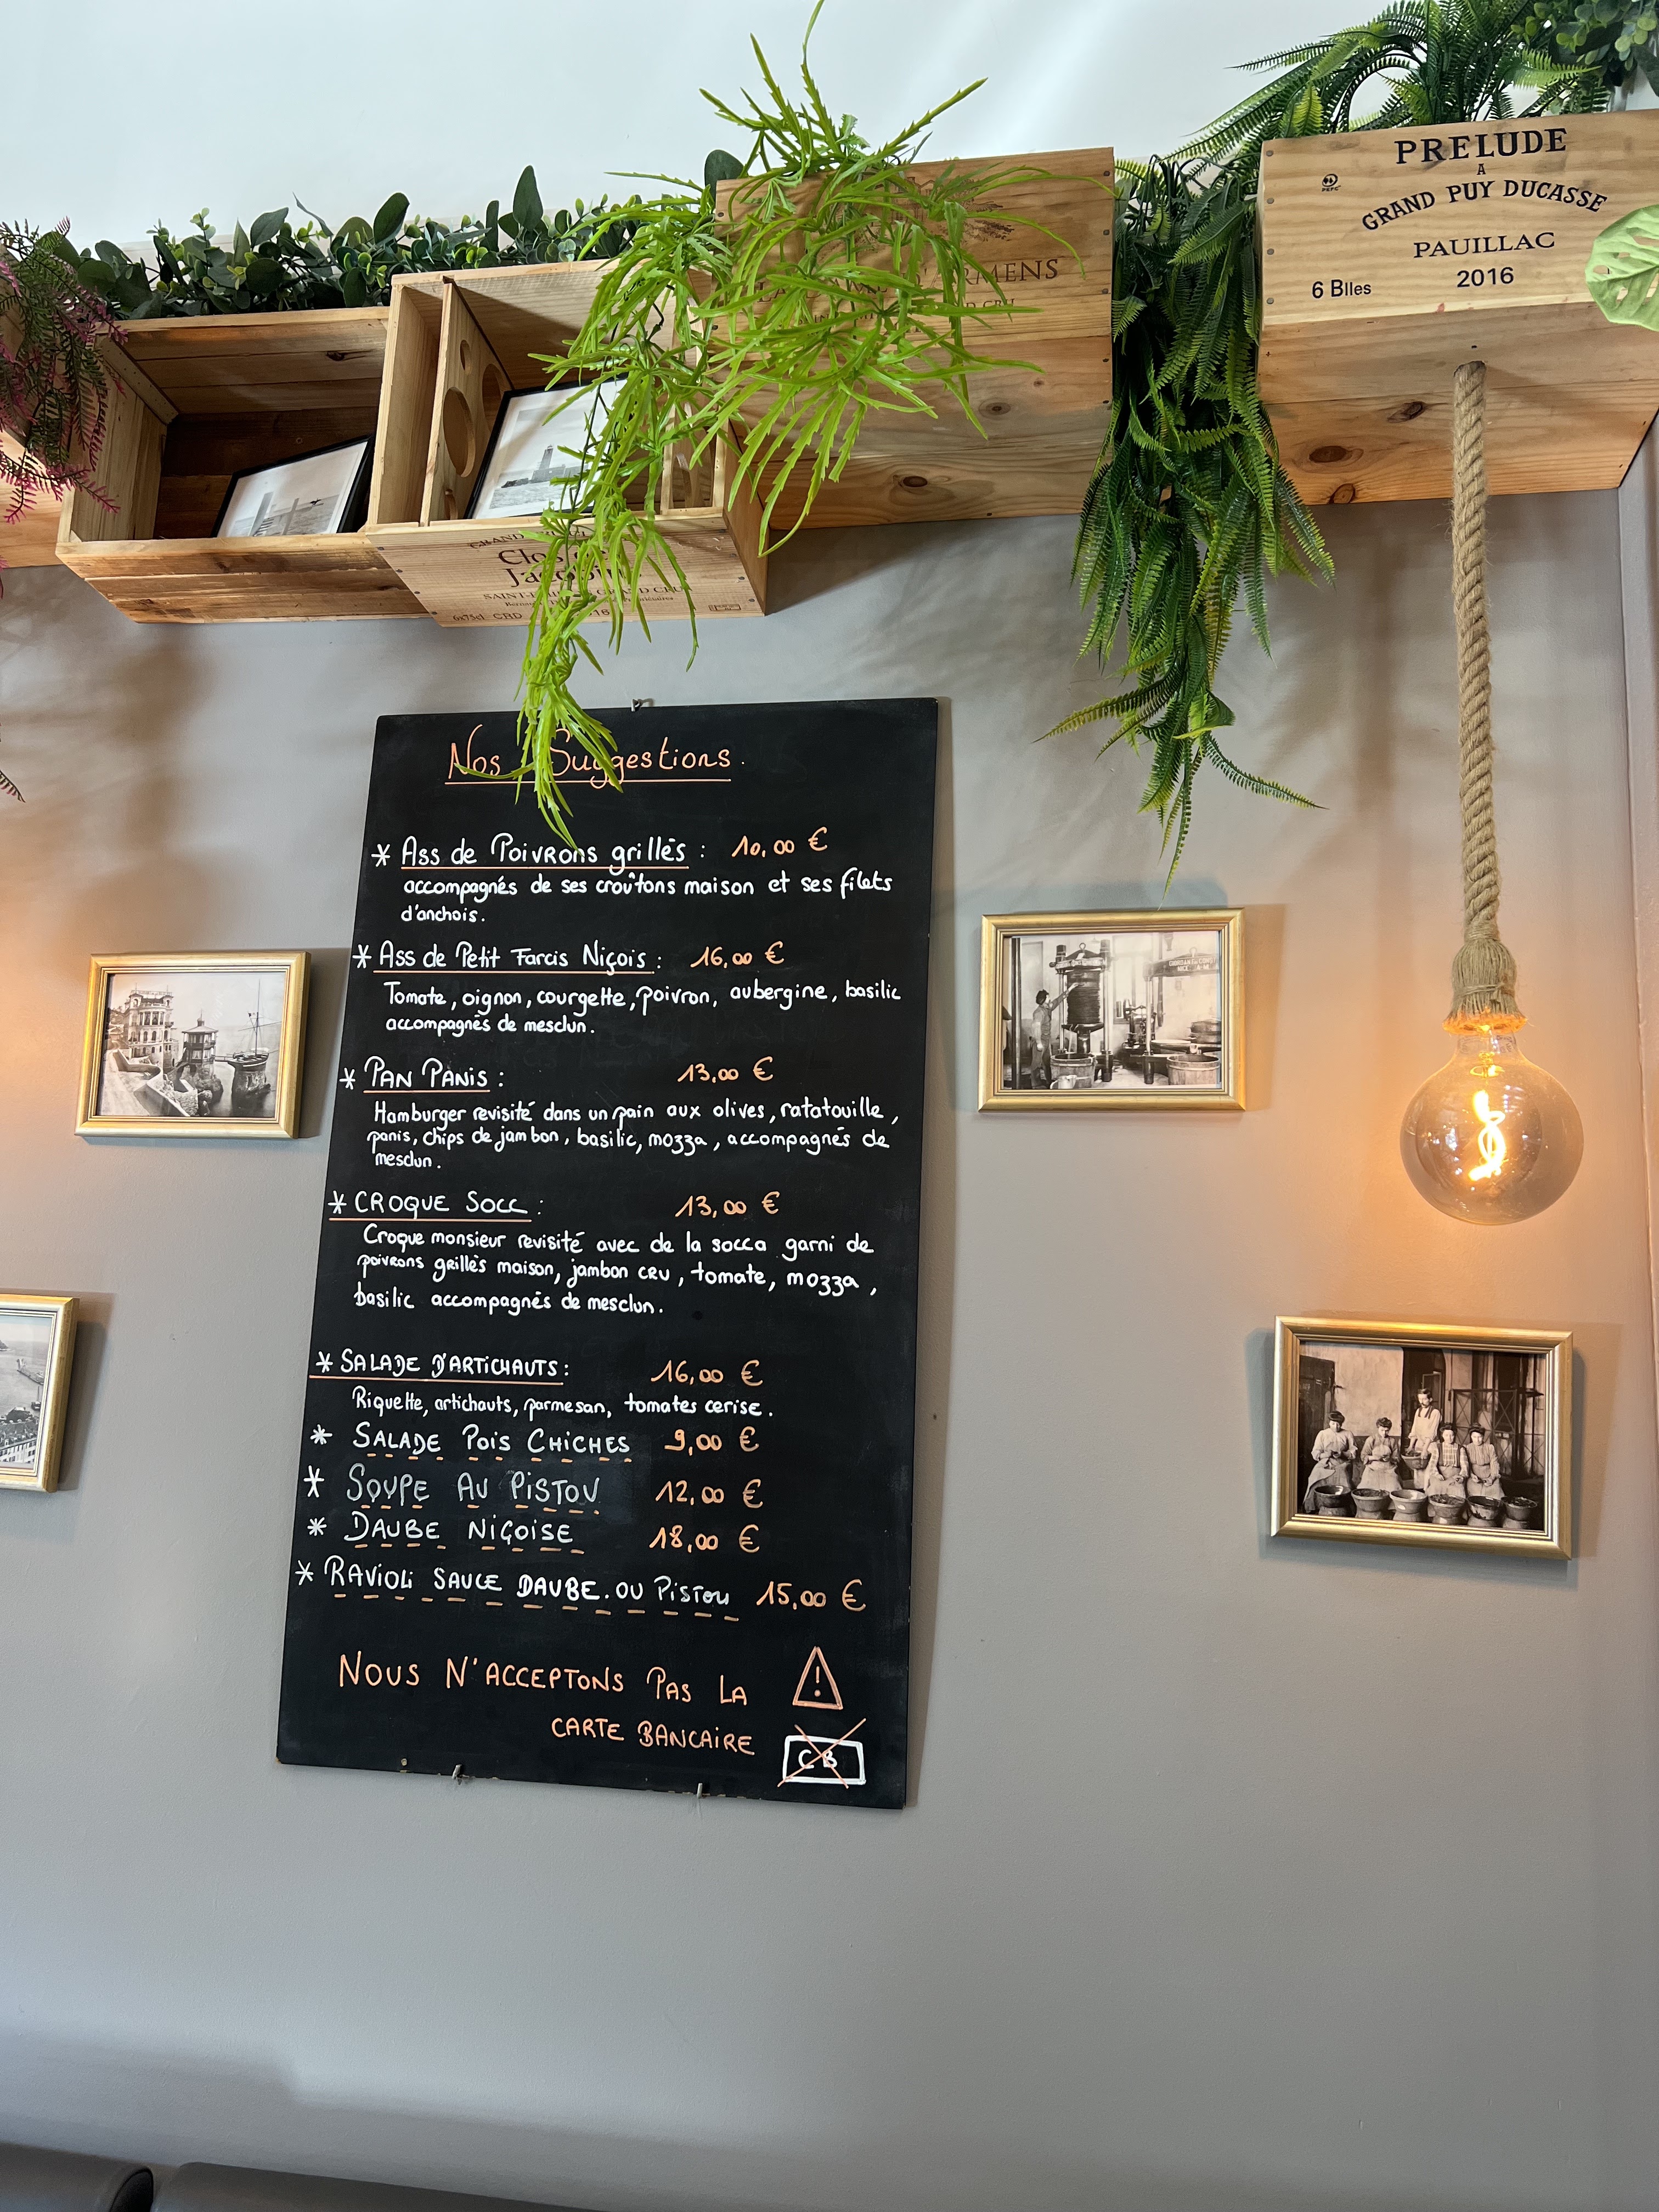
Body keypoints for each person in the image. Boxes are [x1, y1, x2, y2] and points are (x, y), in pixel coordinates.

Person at [1304, 1410, 1357, 1510]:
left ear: (1341, 1424)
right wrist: (1326, 1454)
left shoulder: (1348, 1434)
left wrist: (1343, 1454)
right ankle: (1316, 1506)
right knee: (1315, 1476)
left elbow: (1354, 1451)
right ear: (1329, 1423)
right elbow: (1316, 1452)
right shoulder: (1323, 1434)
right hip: (1326, 1462)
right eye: (1333, 1424)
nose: (1336, 1427)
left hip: (1342, 1463)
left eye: (1338, 1424)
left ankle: (1344, 1508)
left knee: (1343, 1476)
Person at [1425, 1424, 1470, 1505]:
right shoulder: (1438, 1448)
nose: (1449, 1438)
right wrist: (1437, 1474)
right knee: (1435, 1488)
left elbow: (1465, 1466)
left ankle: (1455, 1511)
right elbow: (1432, 1464)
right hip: (1441, 1476)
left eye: (1451, 1435)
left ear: (1454, 1436)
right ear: (1443, 1436)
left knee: (1459, 1489)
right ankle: (1436, 1510)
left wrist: (1462, 1476)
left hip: (1455, 1476)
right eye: (1446, 1435)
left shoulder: (1461, 1449)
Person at [1023, 989, 1059, 1088]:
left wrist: (1069, 990)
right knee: (1037, 1063)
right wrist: (1039, 1042)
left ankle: (1049, 1082)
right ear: (1044, 999)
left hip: (1046, 1040)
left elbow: (1057, 1001)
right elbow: (1036, 1027)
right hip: (1040, 1040)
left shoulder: (1047, 1008)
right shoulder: (1039, 1012)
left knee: (1047, 1062)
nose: (1050, 998)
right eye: (1048, 997)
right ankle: (1036, 1085)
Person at [1406, 1387, 1441, 1480]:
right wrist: (1411, 1446)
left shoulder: (1435, 1412)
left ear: (1430, 1399)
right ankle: (1419, 1488)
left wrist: (1425, 1449)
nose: (1422, 1402)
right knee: (1418, 1471)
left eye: (1424, 1399)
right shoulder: (1418, 1411)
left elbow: (1432, 1433)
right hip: (1419, 1444)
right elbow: (1414, 1430)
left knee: (1429, 1472)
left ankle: (1428, 1488)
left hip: (1431, 1445)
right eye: (1420, 1399)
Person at [1464, 1424, 1503, 1503]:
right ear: (1471, 1437)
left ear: (1483, 1437)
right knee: (1475, 1493)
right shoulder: (1468, 1448)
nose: (1477, 1440)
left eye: (1480, 1437)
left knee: (1495, 1490)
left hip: (1489, 1475)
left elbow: (1494, 1463)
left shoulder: (1490, 1448)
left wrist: (1492, 1478)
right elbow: (1467, 1465)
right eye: (1474, 1437)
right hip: (1475, 1478)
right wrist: (1472, 1475)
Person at [1360, 1415, 1400, 1491]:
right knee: (1369, 1488)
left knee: (1393, 1486)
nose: (1384, 1433)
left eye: (1387, 1431)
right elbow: (1363, 1456)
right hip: (1373, 1468)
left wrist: (1390, 1458)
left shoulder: (1392, 1441)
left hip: (1388, 1469)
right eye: (1382, 1430)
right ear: (1378, 1428)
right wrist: (1376, 1458)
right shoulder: (1371, 1440)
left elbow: (1396, 1457)